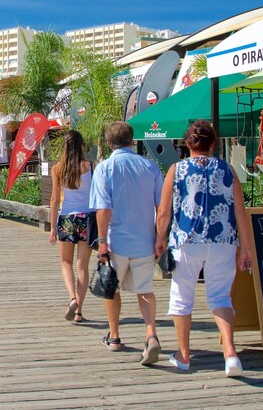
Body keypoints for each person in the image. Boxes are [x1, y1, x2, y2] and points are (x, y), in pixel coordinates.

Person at [155, 120, 254, 377]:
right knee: (221, 296)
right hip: (223, 240)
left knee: (181, 296)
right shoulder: (227, 170)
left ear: (187, 144)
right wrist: (245, 247)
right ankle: (230, 353)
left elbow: (164, 212)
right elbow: (240, 212)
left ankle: (184, 356)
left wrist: (159, 238)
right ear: (213, 143)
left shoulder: (176, 170)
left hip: (186, 240)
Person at [90, 121, 165, 365]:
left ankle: (114, 336)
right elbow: (161, 207)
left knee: (112, 288)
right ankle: (151, 334)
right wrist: (160, 237)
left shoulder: (105, 168)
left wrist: (101, 243)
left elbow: (103, 209)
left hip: (116, 241)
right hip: (145, 240)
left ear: (108, 143)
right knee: (145, 291)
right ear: (132, 140)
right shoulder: (150, 167)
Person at [48, 130, 95, 324]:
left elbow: (54, 199)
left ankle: (72, 298)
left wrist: (52, 227)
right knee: (82, 265)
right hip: (87, 218)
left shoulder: (58, 169)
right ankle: (79, 311)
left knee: (65, 262)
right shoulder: (91, 166)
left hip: (67, 218)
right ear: (81, 145)